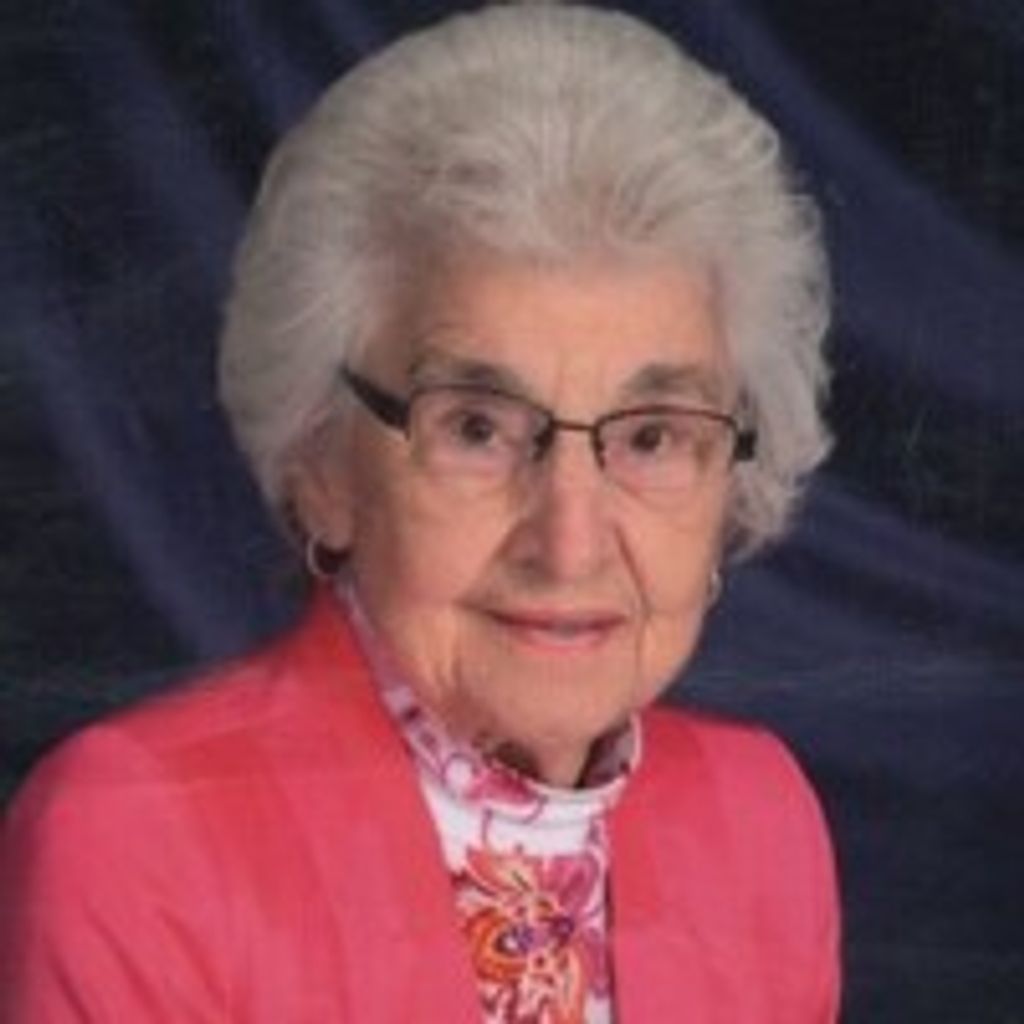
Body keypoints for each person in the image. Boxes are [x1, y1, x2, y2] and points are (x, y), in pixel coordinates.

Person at [1, 3, 838, 1021]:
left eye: (652, 436)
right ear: (323, 463)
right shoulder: (139, 838)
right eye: (477, 428)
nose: (569, 542)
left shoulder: (760, 823)